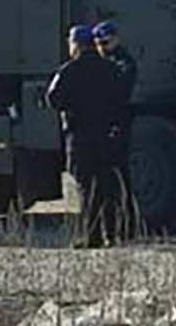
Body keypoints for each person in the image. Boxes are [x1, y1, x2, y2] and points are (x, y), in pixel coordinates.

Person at [46, 23, 123, 248]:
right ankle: (112, 233)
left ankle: (92, 235)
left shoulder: (69, 70)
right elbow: (121, 98)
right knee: (107, 185)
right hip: (107, 135)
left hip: (80, 136)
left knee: (86, 188)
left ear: (76, 44)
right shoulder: (111, 68)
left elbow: (53, 99)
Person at [93, 20, 139, 240]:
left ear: (116, 39)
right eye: (99, 43)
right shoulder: (102, 62)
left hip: (118, 125)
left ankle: (126, 227)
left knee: (119, 181)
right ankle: (111, 228)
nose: (102, 47)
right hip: (102, 126)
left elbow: (120, 90)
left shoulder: (124, 62)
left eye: (106, 42)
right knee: (105, 182)